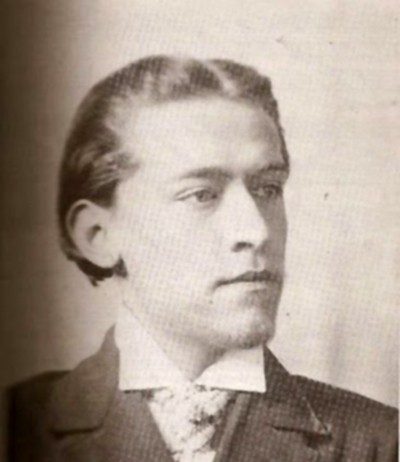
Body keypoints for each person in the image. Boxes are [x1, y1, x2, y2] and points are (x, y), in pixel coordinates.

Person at [8, 55, 398, 462]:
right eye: (201, 194)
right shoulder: (17, 429)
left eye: (268, 188)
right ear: (97, 235)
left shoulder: (380, 444)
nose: (257, 231)